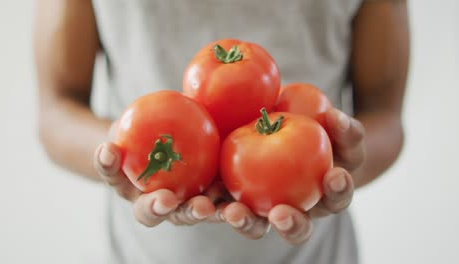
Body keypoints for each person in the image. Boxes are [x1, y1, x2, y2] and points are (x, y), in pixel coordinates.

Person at [35, 0, 409, 263]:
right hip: (140, 254)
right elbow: (56, 111)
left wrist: (338, 167)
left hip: (317, 254)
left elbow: (386, 118)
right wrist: (118, 154)